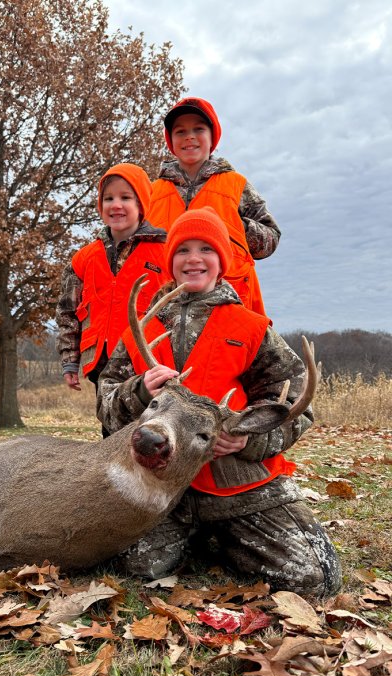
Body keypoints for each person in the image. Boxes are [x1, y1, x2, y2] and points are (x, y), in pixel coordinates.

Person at [96, 208, 340, 598]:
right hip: (162, 488)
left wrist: (250, 439)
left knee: (314, 578)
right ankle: (197, 537)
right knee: (134, 569)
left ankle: (222, 537)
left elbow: (293, 399)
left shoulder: (250, 327)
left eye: (206, 249)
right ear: (170, 260)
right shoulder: (142, 328)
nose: (194, 259)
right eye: (183, 250)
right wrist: (138, 390)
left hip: (236, 486)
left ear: (222, 261)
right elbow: (107, 401)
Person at [146, 97, 280, 316]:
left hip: (229, 311)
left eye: (198, 129)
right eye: (180, 131)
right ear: (171, 141)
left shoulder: (236, 185)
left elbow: (270, 241)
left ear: (212, 137)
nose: (189, 136)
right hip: (164, 313)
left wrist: (236, 227)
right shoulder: (152, 194)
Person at [56, 163, 168, 398]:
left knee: (146, 431)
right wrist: (70, 361)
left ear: (141, 204)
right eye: (108, 198)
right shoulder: (84, 258)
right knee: (110, 431)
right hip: (102, 364)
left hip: (147, 365)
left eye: (125, 197)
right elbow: (67, 313)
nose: (116, 205)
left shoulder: (166, 252)